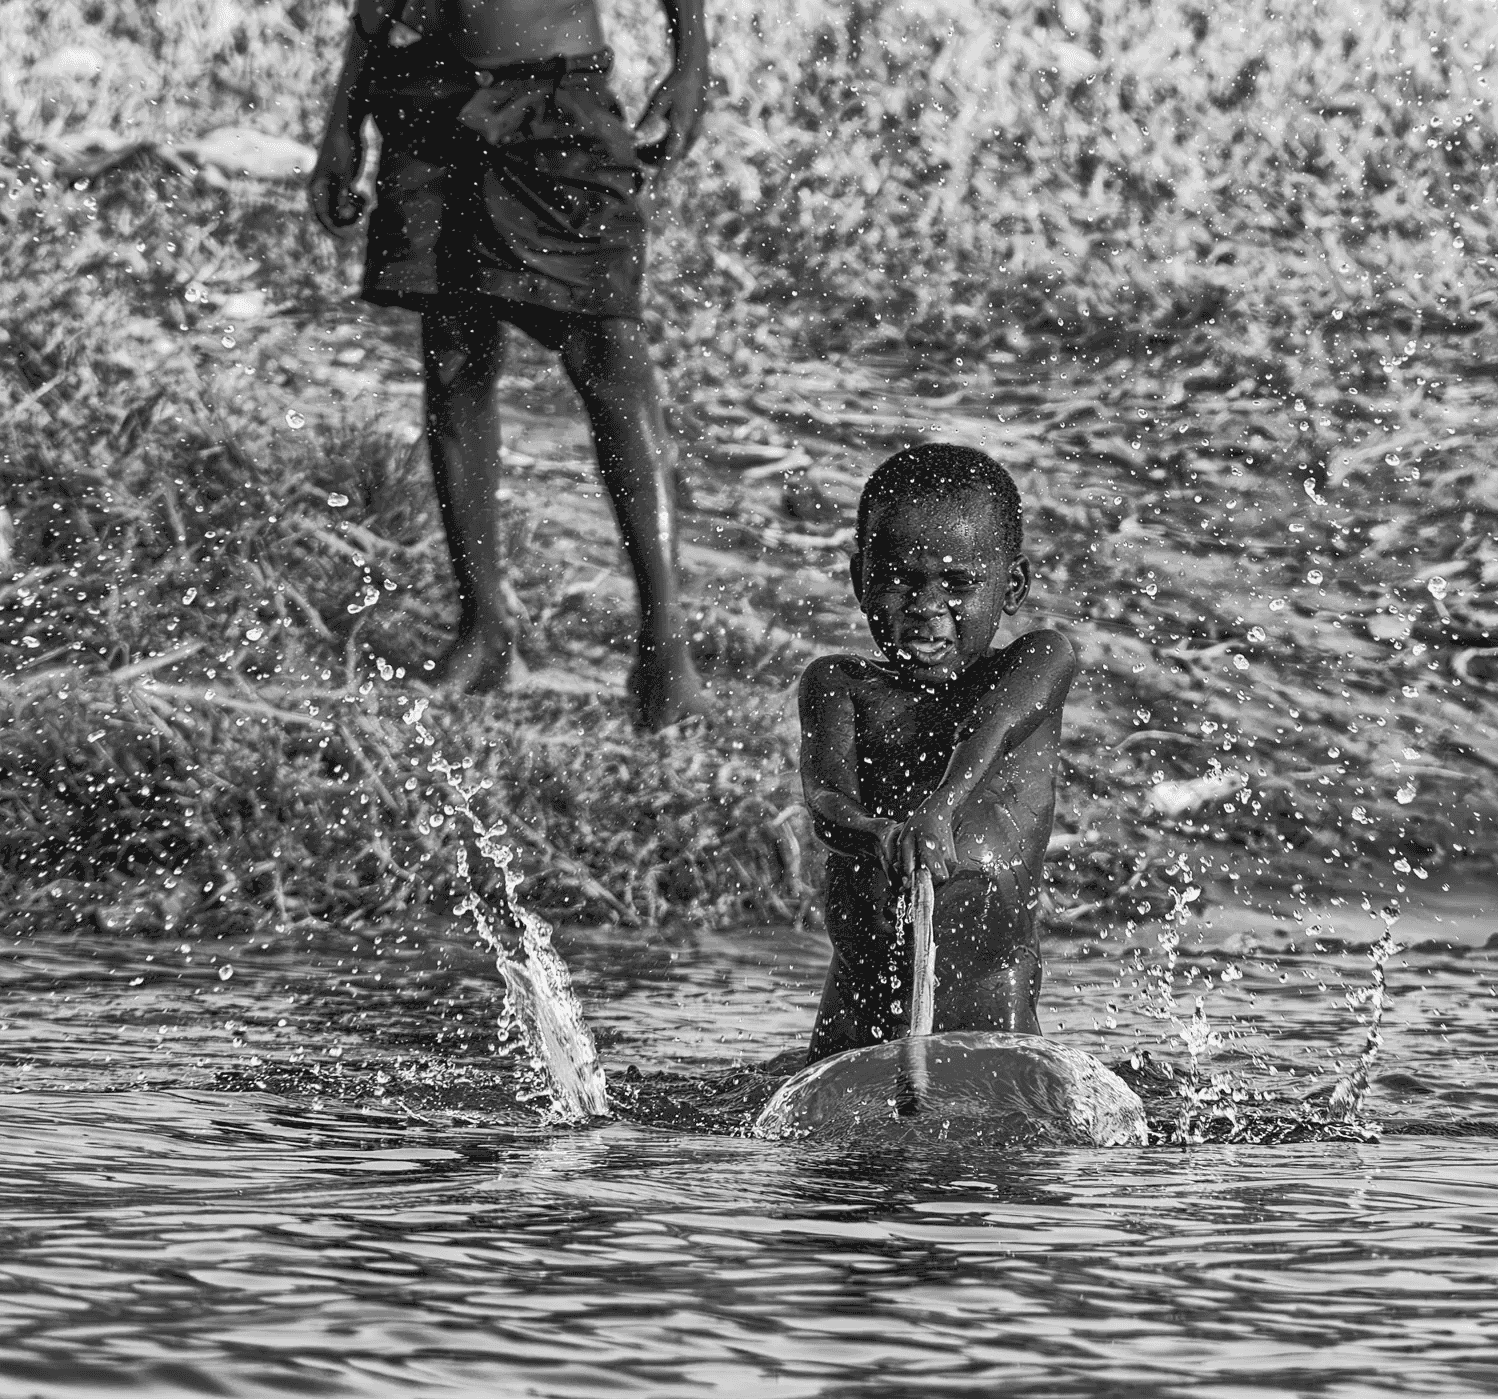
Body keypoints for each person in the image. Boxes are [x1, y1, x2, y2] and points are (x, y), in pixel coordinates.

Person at [308, 0, 709, 728]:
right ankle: (484, 631)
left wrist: (692, 63)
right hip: (423, 98)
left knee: (609, 357)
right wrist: (343, 122)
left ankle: (665, 639)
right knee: (456, 362)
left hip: (553, 99)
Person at [790, 444, 1079, 1065]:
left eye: (959, 583)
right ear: (859, 579)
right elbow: (824, 801)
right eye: (900, 580)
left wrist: (940, 806)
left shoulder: (1038, 660)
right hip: (854, 1019)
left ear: (1013, 586)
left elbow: (994, 725)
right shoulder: (836, 684)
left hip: (991, 1017)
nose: (925, 608)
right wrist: (878, 835)